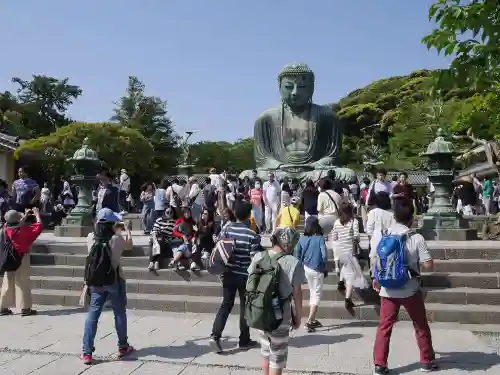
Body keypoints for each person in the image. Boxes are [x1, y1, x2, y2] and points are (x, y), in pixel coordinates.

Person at [372, 202, 437, 374]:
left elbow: (376, 259)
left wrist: (375, 278)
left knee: (384, 327)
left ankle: (380, 365)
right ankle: (426, 361)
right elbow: (428, 265)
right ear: (412, 219)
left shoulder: (384, 235)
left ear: (394, 218)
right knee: (420, 325)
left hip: (387, 290)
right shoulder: (416, 238)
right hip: (410, 289)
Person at [249, 227, 304, 375]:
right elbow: (297, 293)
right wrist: (298, 317)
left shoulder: (258, 256)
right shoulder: (293, 262)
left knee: (266, 349)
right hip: (280, 313)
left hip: (259, 310)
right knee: (277, 354)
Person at [82, 208, 134, 365]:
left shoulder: (90, 237)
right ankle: (123, 346)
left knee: (93, 314)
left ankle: (87, 352)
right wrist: (127, 229)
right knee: (119, 312)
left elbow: (98, 234)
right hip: (114, 280)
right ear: (112, 223)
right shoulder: (117, 239)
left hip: (96, 282)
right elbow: (130, 245)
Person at [211, 201, 260, 353]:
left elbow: (220, 248)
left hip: (228, 274)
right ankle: (244, 340)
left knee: (226, 304)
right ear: (248, 216)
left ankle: (215, 336)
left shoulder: (226, 230)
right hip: (245, 276)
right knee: (245, 307)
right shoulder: (252, 235)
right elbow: (254, 259)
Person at [0, 208, 43, 316]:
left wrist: (24, 217)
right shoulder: (24, 231)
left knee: (7, 283)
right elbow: (39, 227)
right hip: (21, 258)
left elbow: (15, 224)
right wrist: (37, 214)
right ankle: (25, 308)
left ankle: (2, 307)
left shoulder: (5, 228)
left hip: (8, 259)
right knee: (22, 282)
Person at [331, 201, 368, 310]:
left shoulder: (337, 222)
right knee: (351, 275)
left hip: (340, 251)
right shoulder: (354, 222)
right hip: (349, 252)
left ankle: (341, 282)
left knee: (345, 267)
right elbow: (357, 237)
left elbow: (334, 237)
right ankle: (348, 298)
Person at [294, 217, 327, 331]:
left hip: (306, 268)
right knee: (316, 294)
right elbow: (324, 256)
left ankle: (312, 319)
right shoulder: (320, 239)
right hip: (317, 269)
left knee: (313, 292)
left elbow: (297, 254)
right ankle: (309, 321)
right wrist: (324, 267)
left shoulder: (301, 238)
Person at [148, 207, 179, 271]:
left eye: (171, 212)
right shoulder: (159, 220)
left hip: (167, 240)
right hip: (157, 238)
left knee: (159, 242)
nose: (169, 214)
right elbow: (154, 230)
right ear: (164, 212)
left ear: (173, 213)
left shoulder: (175, 222)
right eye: (167, 212)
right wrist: (156, 236)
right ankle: (155, 262)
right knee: (156, 241)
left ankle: (152, 262)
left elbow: (173, 234)